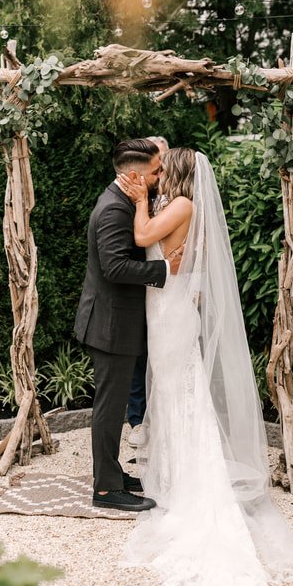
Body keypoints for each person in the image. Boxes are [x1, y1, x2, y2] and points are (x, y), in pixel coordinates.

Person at [118, 149, 293, 586]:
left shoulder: (182, 205)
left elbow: (143, 235)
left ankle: (189, 481)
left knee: (180, 393)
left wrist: (142, 200)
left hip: (171, 314)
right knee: (171, 394)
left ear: (181, 174)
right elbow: (175, 257)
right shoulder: (179, 206)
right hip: (166, 307)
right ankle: (171, 473)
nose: (156, 175)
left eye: (163, 170)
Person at [74, 138, 181, 513]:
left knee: (113, 404)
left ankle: (114, 474)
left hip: (117, 320)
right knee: (109, 408)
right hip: (109, 324)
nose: (160, 176)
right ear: (135, 174)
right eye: (156, 171)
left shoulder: (125, 201)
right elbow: (115, 268)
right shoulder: (112, 211)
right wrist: (167, 270)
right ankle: (105, 490)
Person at [126, 135, 170, 448]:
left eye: (163, 164)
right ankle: (137, 420)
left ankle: (166, 420)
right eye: (156, 166)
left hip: (167, 289)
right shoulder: (132, 195)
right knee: (138, 352)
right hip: (138, 285)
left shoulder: (174, 200)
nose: (159, 172)